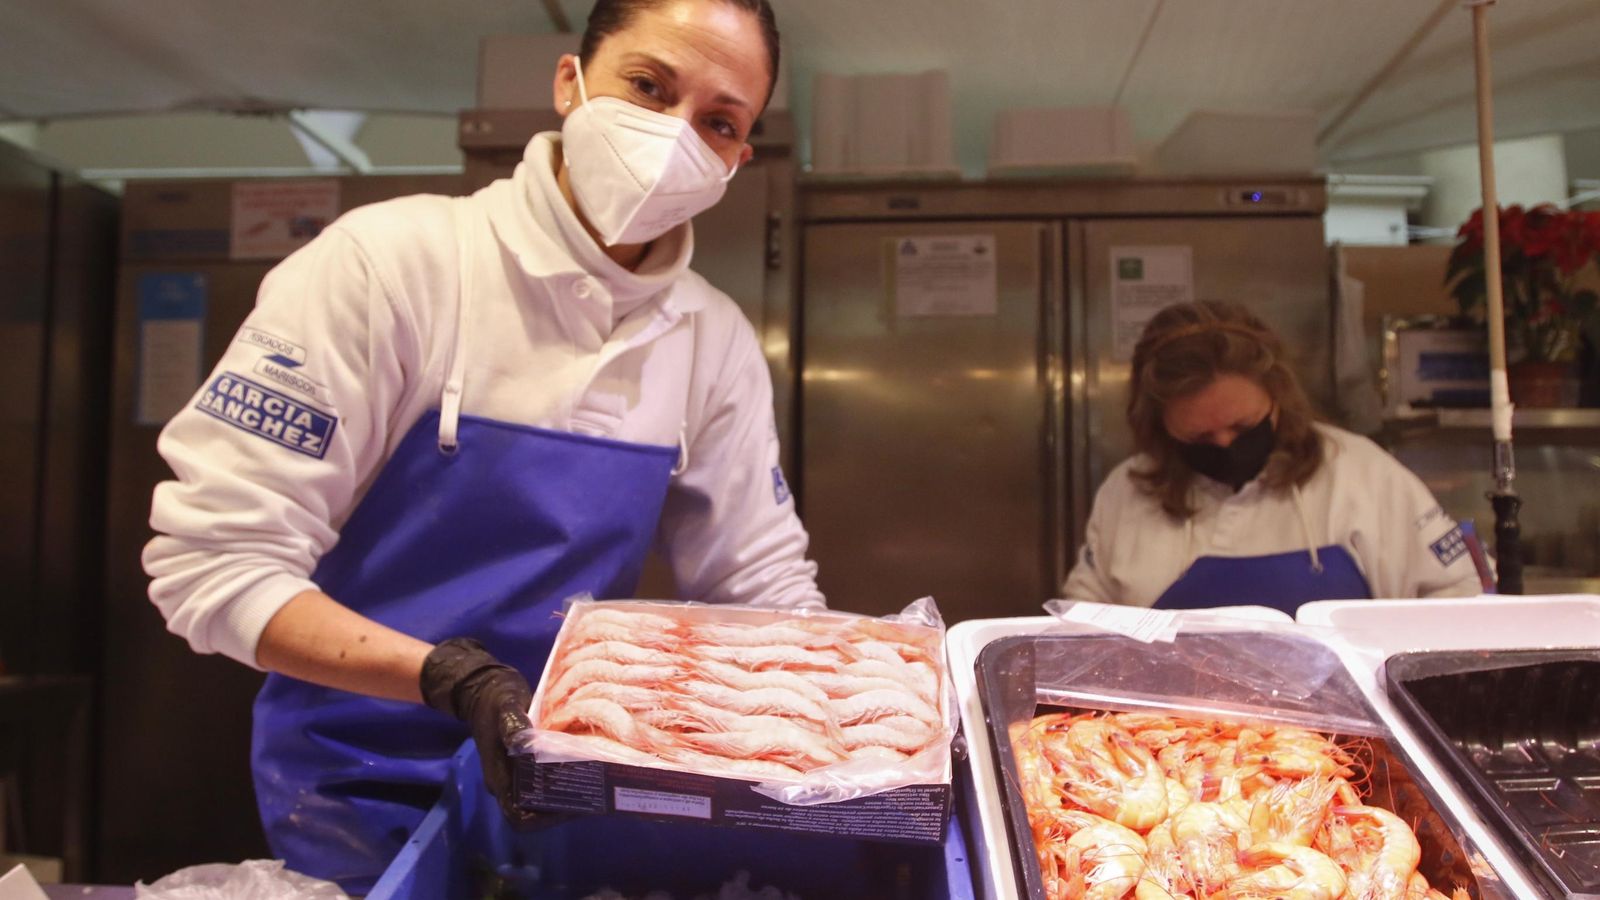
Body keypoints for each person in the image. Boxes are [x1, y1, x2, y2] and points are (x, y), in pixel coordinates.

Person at [143, 0, 820, 890]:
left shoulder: (712, 339)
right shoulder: (391, 265)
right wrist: (449, 679)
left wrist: (850, 723)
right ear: (570, 85)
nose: (674, 136)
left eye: (719, 123)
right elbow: (213, 564)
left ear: (738, 158)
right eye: (648, 88)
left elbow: (757, 586)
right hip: (353, 783)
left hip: (559, 791)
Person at [1063, 300, 1481, 613]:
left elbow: (1455, 599)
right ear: (1160, 427)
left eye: (1242, 427)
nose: (1225, 444)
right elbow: (1082, 622)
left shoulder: (1362, 474)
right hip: (1166, 731)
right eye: (1200, 435)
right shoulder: (1127, 491)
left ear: (1277, 399)